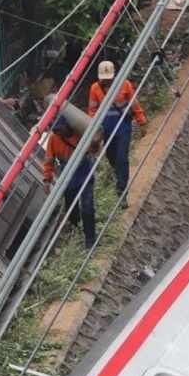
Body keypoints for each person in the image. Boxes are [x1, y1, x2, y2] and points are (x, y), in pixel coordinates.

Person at [88, 60, 146, 207]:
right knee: (112, 157)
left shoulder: (125, 85)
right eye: (104, 78)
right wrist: (94, 130)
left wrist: (141, 121)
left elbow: (134, 104)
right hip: (107, 130)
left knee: (121, 159)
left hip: (123, 128)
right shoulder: (95, 88)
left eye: (109, 78)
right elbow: (92, 111)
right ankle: (120, 174)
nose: (107, 81)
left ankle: (122, 193)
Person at [44, 117, 100, 249]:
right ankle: (76, 227)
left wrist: (95, 143)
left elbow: (94, 149)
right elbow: (49, 160)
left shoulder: (79, 132)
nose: (59, 132)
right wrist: (47, 179)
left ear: (67, 126)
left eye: (60, 129)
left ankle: (90, 239)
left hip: (83, 172)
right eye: (57, 130)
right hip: (68, 177)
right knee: (71, 209)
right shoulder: (53, 139)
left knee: (87, 207)